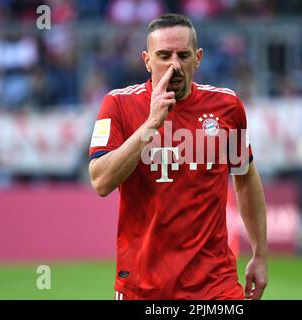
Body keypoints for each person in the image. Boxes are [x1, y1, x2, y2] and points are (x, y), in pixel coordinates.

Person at [88, 13, 268, 300]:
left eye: (183, 55)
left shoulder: (227, 106)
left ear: (197, 58)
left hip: (215, 285)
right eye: (163, 55)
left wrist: (260, 254)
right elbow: (100, 181)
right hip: (143, 285)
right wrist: (150, 125)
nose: (174, 65)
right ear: (147, 60)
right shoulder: (118, 104)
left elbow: (245, 178)